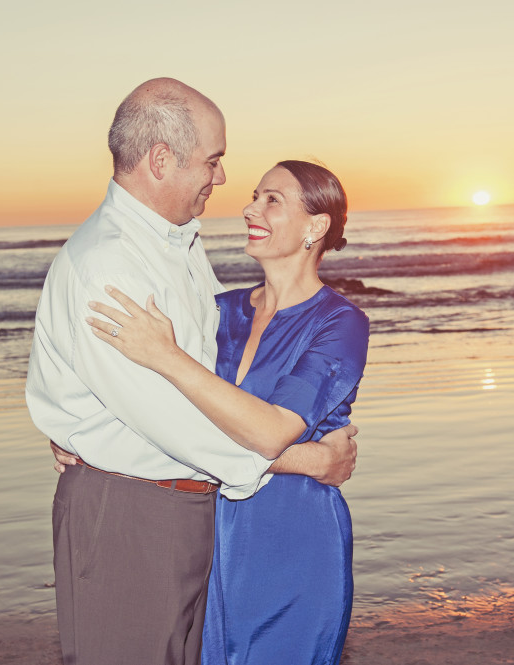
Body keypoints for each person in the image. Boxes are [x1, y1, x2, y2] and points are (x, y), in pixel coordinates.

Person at [25, 79, 357, 665]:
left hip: (221, 520)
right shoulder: (111, 263)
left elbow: (193, 382)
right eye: (215, 160)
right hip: (136, 513)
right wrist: (310, 459)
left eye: (270, 198)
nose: (226, 182)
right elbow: (170, 417)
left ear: (317, 227)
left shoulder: (179, 250)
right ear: (161, 160)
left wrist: (82, 416)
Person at [86, 160, 368, 665]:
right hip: (205, 535)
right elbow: (152, 407)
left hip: (294, 539)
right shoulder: (217, 310)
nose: (248, 208)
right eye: (254, 196)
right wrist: (88, 437)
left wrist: (167, 356)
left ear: (316, 225)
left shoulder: (341, 324)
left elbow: (270, 432)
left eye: (271, 200)